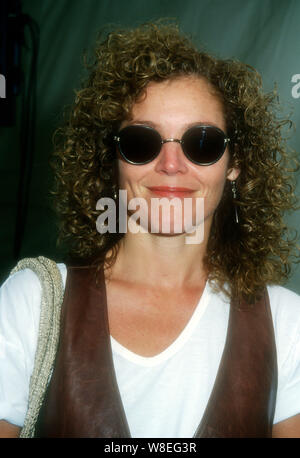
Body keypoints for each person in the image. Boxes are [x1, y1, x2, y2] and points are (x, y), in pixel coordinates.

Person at [1, 21, 300, 438]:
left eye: (202, 142)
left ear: (235, 164)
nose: (171, 165)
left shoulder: (286, 323)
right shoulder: (30, 304)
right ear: (114, 159)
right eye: (142, 141)